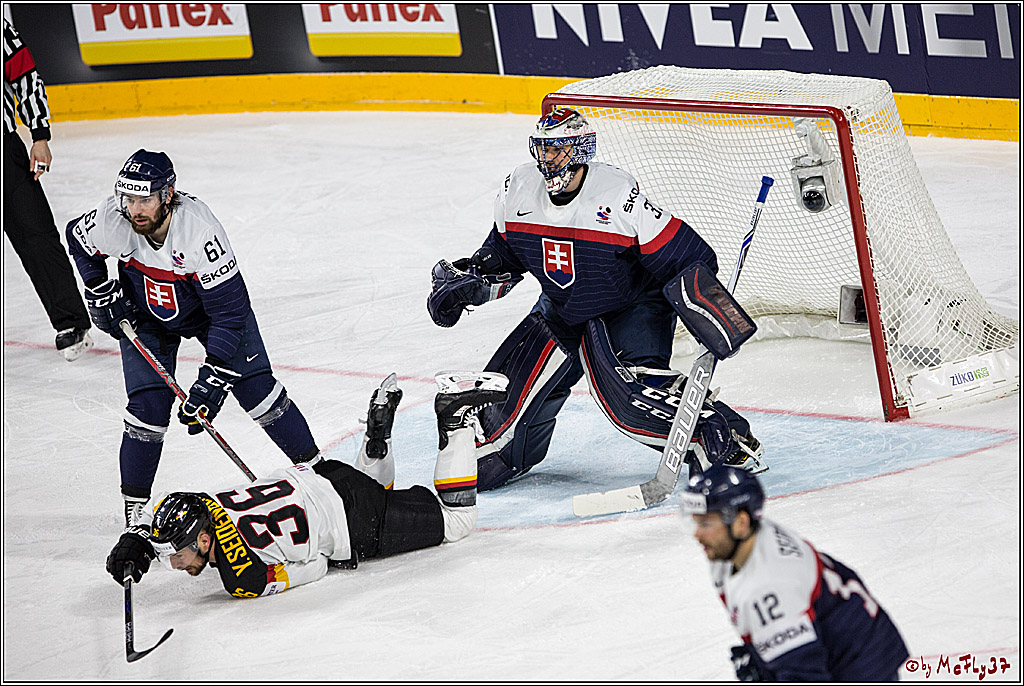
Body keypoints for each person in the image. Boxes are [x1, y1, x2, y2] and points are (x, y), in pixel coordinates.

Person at [427, 106, 765, 491]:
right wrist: (471, 282)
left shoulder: (617, 196)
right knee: (502, 411)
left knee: (628, 397)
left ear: (582, 150)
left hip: (629, 306)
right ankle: (505, 455)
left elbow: (685, 255)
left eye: (558, 150)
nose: (547, 159)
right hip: (562, 309)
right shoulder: (517, 189)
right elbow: (505, 256)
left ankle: (723, 438)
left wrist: (709, 307)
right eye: (543, 149)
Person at [66, 149, 324, 528]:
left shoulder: (200, 232)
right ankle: (135, 506)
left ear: (167, 195)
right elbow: (77, 237)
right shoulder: (115, 218)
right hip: (145, 314)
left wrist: (216, 374)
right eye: (129, 198)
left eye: (146, 199)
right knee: (148, 409)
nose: (135, 209)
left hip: (211, 314)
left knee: (256, 391)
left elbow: (229, 313)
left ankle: (319, 473)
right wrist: (98, 288)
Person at [104, 372, 508, 598]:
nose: (174, 563)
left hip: (353, 524)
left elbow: (314, 567)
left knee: (457, 522)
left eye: (178, 554)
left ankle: (453, 417)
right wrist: (139, 545)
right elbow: (177, 509)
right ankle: (376, 436)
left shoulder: (243, 579)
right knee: (371, 491)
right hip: (324, 475)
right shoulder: (202, 506)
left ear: (206, 541)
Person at [681, 466, 910, 681]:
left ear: (741, 523)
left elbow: (805, 676)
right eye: (695, 523)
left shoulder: (768, 584)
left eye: (706, 523)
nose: (697, 534)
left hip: (861, 665)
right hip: (849, 634)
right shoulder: (742, 541)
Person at [3, 18, 92, 360]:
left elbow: (24, 75)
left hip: (4, 154)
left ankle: (70, 322)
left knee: (36, 234)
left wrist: (39, 135)